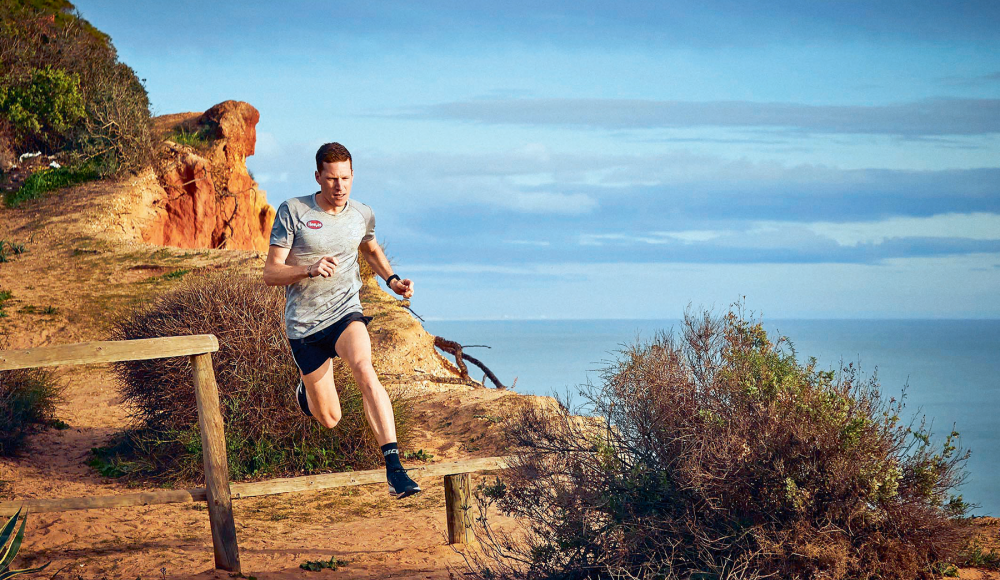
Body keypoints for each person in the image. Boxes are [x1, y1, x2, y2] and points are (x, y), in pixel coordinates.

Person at [263, 142, 421, 498]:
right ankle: (306, 394)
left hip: (345, 312)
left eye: (346, 178)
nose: (340, 186)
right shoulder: (294, 211)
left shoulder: (362, 214)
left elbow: (369, 247)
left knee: (365, 368)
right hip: (304, 326)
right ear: (318, 177)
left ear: (353, 176)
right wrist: (308, 269)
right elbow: (270, 273)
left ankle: (395, 470)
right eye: (332, 178)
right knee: (329, 418)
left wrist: (393, 280)